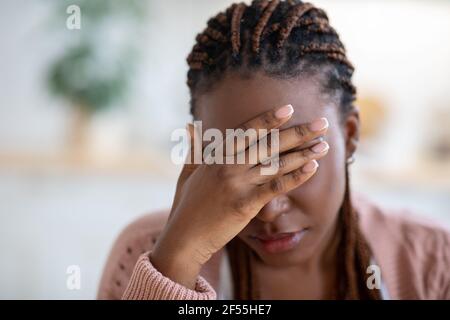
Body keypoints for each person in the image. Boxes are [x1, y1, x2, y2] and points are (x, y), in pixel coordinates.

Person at [98, 0, 450, 300]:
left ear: (351, 135)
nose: (268, 210)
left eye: (293, 160)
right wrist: (176, 260)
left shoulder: (432, 261)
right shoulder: (145, 251)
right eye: (237, 164)